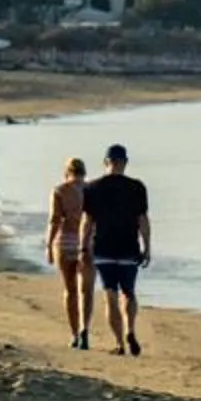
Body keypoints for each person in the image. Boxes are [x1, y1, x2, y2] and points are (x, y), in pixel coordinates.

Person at [80, 143, 154, 357]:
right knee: (129, 292)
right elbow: (143, 220)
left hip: (103, 248)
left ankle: (120, 343)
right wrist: (147, 247)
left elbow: (88, 221)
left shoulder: (92, 188)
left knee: (110, 295)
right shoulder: (137, 187)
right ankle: (130, 329)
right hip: (129, 247)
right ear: (125, 163)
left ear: (106, 162)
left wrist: (83, 246)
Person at [44, 156, 93, 349]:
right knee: (86, 290)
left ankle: (74, 334)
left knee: (70, 290)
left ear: (67, 172)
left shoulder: (60, 191)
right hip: (87, 242)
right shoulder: (91, 190)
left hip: (65, 242)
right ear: (84, 172)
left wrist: (48, 245)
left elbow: (54, 220)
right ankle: (84, 329)